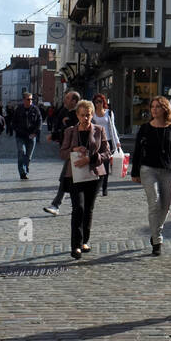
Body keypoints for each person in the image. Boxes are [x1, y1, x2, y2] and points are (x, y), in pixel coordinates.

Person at [130, 95, 171, 256]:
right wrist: (135, 172)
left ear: (165, 109)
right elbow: (138, 152)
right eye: (152, 107)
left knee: (165, 206)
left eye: (157, 107)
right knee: (155, 202)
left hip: (167, 170)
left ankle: (156, 230)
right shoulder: (145, 128)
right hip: (148, 170)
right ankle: (157, 239)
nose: (154, 109)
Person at [60, 99, 111, 259]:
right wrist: (73, 149)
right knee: (78, 208)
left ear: (92, 114)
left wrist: (90, 158)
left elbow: (107, 153)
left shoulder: (100, 130)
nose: (85, 118)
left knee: (88, 209)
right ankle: (75, 246)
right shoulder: (70, 131)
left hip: (94, 175)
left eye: (88, 115)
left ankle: (84, 241)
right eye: (82, 115)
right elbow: (62, 153)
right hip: (75, 175)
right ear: (77, 115)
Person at [43, 91, 81, 215]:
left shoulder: (79, 114)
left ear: (74, 101)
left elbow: (75, 131)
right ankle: (77, 206)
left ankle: (57, 205)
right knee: (71, 179)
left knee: (67, 178)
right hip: (70, 151)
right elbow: (62, 129)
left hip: (77, 151)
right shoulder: (65, 112)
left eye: (68, 98)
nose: (65, 100)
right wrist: (54, 135)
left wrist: (67, 124)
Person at [91, 93, 123, 197]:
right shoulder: (92, 114)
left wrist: (117, 142)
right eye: (96, 102)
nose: (98, 104)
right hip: (96, 142)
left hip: (107, 142)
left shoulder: (109, 113)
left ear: (104, 102)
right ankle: (96, 186)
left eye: (100, 101)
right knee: (96, 164)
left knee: (105, 165)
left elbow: (113, 128)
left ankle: (104, 188)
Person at [13, 92, 43, 180]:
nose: (30, 101)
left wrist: (36, 133)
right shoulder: (18, 109)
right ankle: (22, 172)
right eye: (28, 99)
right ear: (24, 100)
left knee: (28, 156)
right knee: (21, 152)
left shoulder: (35, 109)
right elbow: (14, 123)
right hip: (20, 136)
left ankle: (25, 169)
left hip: (31, 136)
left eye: (31, 99)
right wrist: (17, 130)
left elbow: (39, 121)